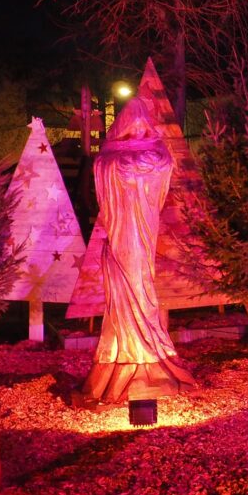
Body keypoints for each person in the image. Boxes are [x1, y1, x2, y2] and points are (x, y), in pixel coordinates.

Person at [82, 96, 196, 403]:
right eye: (132, 127)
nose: (139, 132)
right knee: (125, 280)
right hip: (121, 230)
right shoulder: (109, 156)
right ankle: (127, 355)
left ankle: (148, 354)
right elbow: (105, 179)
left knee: (143, 281)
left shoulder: (156, 152)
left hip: (143, 228)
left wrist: (137, 165)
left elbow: (161, 168)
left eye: (143, 126)